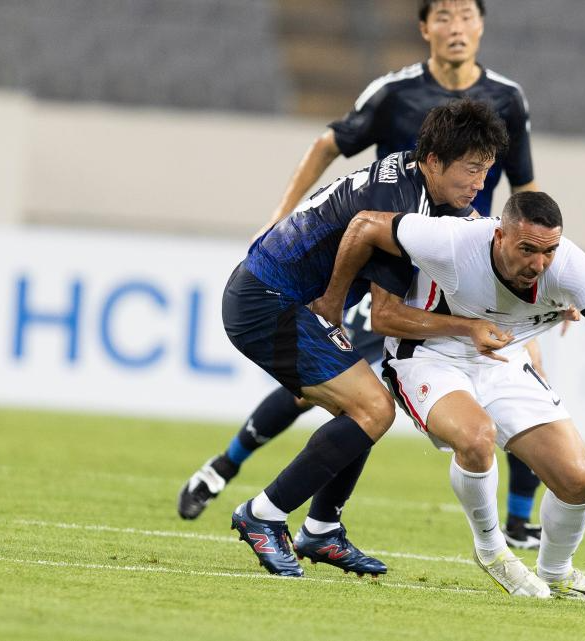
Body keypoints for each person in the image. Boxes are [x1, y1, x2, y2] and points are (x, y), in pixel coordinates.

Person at [179, 0, 546, 549]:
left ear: (482, 24)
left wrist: (535, 271)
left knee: (485, 378)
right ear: (424, 27)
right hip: (358, 273)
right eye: (444, 16)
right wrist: (291, 232)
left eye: (467, 15)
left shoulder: (505, 102)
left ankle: (508, 521)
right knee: (358, 400)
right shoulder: (394, 102)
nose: (456, 27)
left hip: (449, 260)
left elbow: (523, 190)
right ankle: (246, 489)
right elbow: (357, 211)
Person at [312, 191, 585, 598]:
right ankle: (492, 550)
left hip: (503, 362)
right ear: (499, 236)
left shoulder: (569, 266)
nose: (539, 264)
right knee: (476, 436)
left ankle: (556, 573)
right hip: (429, 357)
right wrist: (331, 305)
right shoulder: (454, 241)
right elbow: (366, 224)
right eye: (527, 250)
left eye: (549, 251)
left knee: (578, 480)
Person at [225, 99, 512, 578]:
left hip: (273, 294)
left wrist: (544, 291)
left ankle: (321, 529)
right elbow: (386, 316)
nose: (481, 184)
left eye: (486, 170)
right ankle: (263, 514)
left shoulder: (415, 181)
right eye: (472, 170)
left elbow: (477, 241)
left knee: (365, 407)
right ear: (435, 161)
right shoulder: (403, 206)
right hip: (266, 302)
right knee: (373, 409)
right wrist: (470, 328)